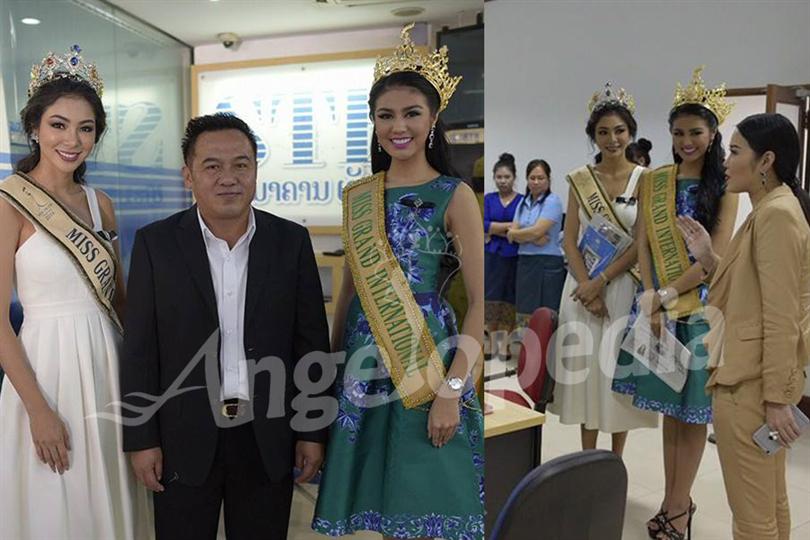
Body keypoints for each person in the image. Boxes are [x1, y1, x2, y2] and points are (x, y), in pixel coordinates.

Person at [120, 112, 331, 540]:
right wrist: (141, 439)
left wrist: (312, 430)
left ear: (255, 171)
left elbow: (311, 345)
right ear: (188, 175)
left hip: (267, 435)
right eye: (212, 166)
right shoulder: (155, 244)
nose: (228, 178)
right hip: (183, 437)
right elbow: (140, 349)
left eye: (241, 164)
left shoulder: (289, 242)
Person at [312, 24, 485, 539]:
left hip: (428, 356)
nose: (398, 126)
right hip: (364, 356)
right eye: (385, 115)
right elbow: (350, 291)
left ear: (433, 120)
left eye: (412, 113)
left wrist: (453, 389)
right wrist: (330, 367)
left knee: (424, 494)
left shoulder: (455, 195)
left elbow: (478, 303)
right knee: (375, 503)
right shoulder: (359, 196)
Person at [0, 46, 151, 539]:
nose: (73, 139)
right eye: (59, 125)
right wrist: (39, 410)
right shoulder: (10, 202)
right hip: (44, 371)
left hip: (106, 363)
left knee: (109, 491)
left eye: (86, 128)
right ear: (35, 128)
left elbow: (122, 302)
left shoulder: (100, 203)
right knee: (55, 502)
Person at [613, 67, 739, 540]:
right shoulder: (656, 180)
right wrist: (649, 296)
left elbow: (714, 258)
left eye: (696, 132)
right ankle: (675, 500)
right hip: (657, 308)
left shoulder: (725, 188)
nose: (686, 140)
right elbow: (643, 244)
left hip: (699, 314)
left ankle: (678, 509)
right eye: (678, 132)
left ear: (712, 135)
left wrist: (665, 297)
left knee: (692, 416)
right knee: (670, 413)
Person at [678, 113, 810, 540]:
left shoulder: (776, 216)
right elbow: (751, 293)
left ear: (766, 160)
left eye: (734, 152)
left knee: (752, 518)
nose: (725, 162)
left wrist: (774, 399)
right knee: (769, 504)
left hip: (751, 385)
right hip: (760, 381)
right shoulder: (772, 208)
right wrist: (709, 258)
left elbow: (780, 314)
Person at [548, 84, 657, 455]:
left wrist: (600, 283)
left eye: (619, 131)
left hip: (623, 287)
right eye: (603, 132)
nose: (612, 139)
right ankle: (586, 459)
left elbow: (641, 241)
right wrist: (586, 286)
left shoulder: (645, 179)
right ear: (593, 136)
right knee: (584, 371)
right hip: (580, 289)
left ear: (631, 132)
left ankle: (614, 461)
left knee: (615, 371)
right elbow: (569, 239)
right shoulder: (581, 178)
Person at [507, 158, 565, 323]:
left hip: (548, 263)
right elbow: (512, 234)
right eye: (532, 178)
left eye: (541, 178)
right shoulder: (522, 203)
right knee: (525, 311)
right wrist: (531, 236)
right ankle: (526, 347)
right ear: (527, 179)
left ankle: (546, 349)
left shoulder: (553, 201)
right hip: (525, 262)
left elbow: (537, 231)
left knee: (546, 313)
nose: (536, 182)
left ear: (548, 180)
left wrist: (522, 234)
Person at [484, 152, 522, 359]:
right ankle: (489, 343)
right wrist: (509, 228)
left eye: (506, 177)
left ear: (514, 178)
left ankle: (506, 344)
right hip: (492, 256)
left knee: (510, 299)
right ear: (494, 178)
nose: (503, 181)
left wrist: (495, 229)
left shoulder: (522, 200)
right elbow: (484, 224)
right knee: (491, 297)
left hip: (515, 255)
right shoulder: (489, 199)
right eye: (499, 177)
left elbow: (523, 225)